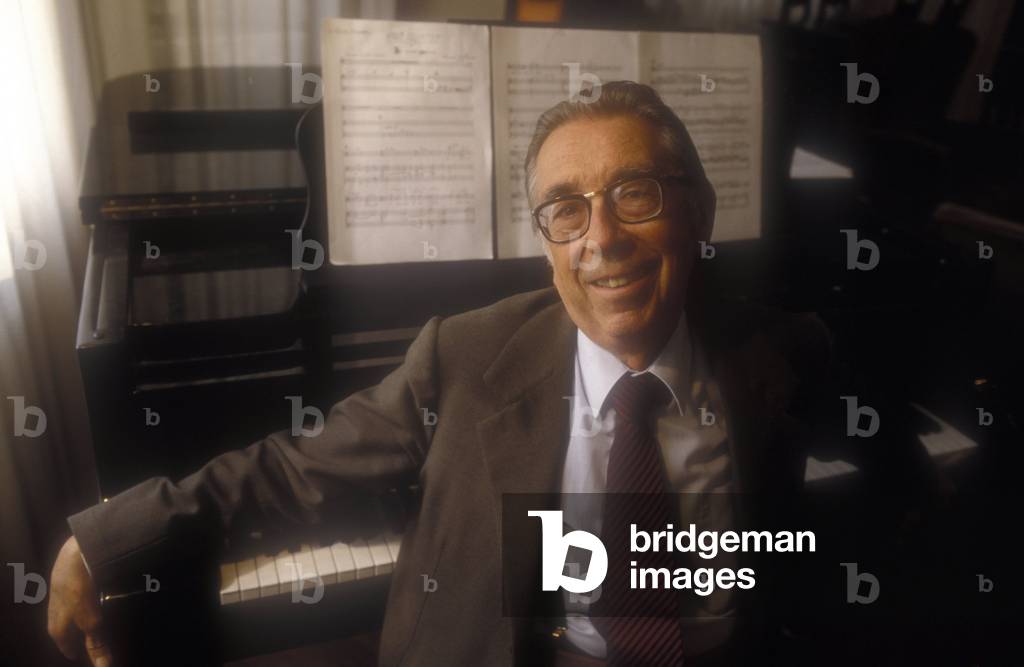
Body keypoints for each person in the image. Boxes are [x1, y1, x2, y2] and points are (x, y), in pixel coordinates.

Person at [48, 81, 830, 667]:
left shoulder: (775, 348)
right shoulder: (462, 355)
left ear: (701, 210)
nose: (602, 238)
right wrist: (108, 540)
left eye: (636, 193)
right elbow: (293, 470)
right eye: (566, 209)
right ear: (547, 242)